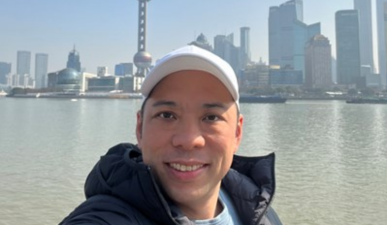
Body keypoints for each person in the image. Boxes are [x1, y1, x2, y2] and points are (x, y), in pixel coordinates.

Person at [60, 45, 282, 225]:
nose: (188, 140)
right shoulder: (107, 218)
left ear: (237, 133)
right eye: (167, 115)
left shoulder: (258, 208)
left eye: (211, 117)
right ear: (140, 129)